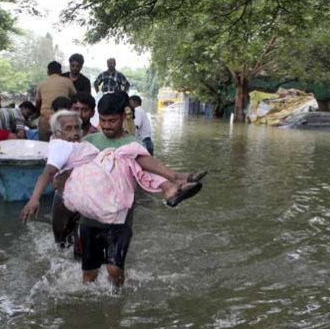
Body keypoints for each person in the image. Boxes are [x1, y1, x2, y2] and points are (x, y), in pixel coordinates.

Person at [21, 105, 206, 287]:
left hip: (118, 214)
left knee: (114, 269)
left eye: (77, 127)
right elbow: (49, 175)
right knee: (89, 273)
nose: (75, 132)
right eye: (103, 121)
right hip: (90, 214)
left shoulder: (92, 143)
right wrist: (35, 198)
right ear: (58, 133)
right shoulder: (74, 144)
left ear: (123, 119)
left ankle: (173, 184)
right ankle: (173, 183)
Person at [35, 61, 76, 142]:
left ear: (48, 72)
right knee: (63, 145)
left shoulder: (41, 84)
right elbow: (75, 98)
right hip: (62, 118)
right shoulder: (67, 81)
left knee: (44, 146)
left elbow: (38, 103)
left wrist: (39, 113)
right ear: (60, 72)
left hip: (45, 119)